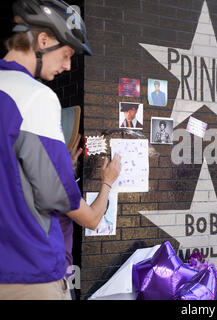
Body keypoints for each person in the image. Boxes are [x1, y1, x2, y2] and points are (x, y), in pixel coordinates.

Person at [0, 0, 121, 300]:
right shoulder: (35, 96)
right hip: (29, 274)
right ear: (43, 41)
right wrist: (107, 182)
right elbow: (84, 215)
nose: (68, 65)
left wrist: (54, 163)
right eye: (66, 53)